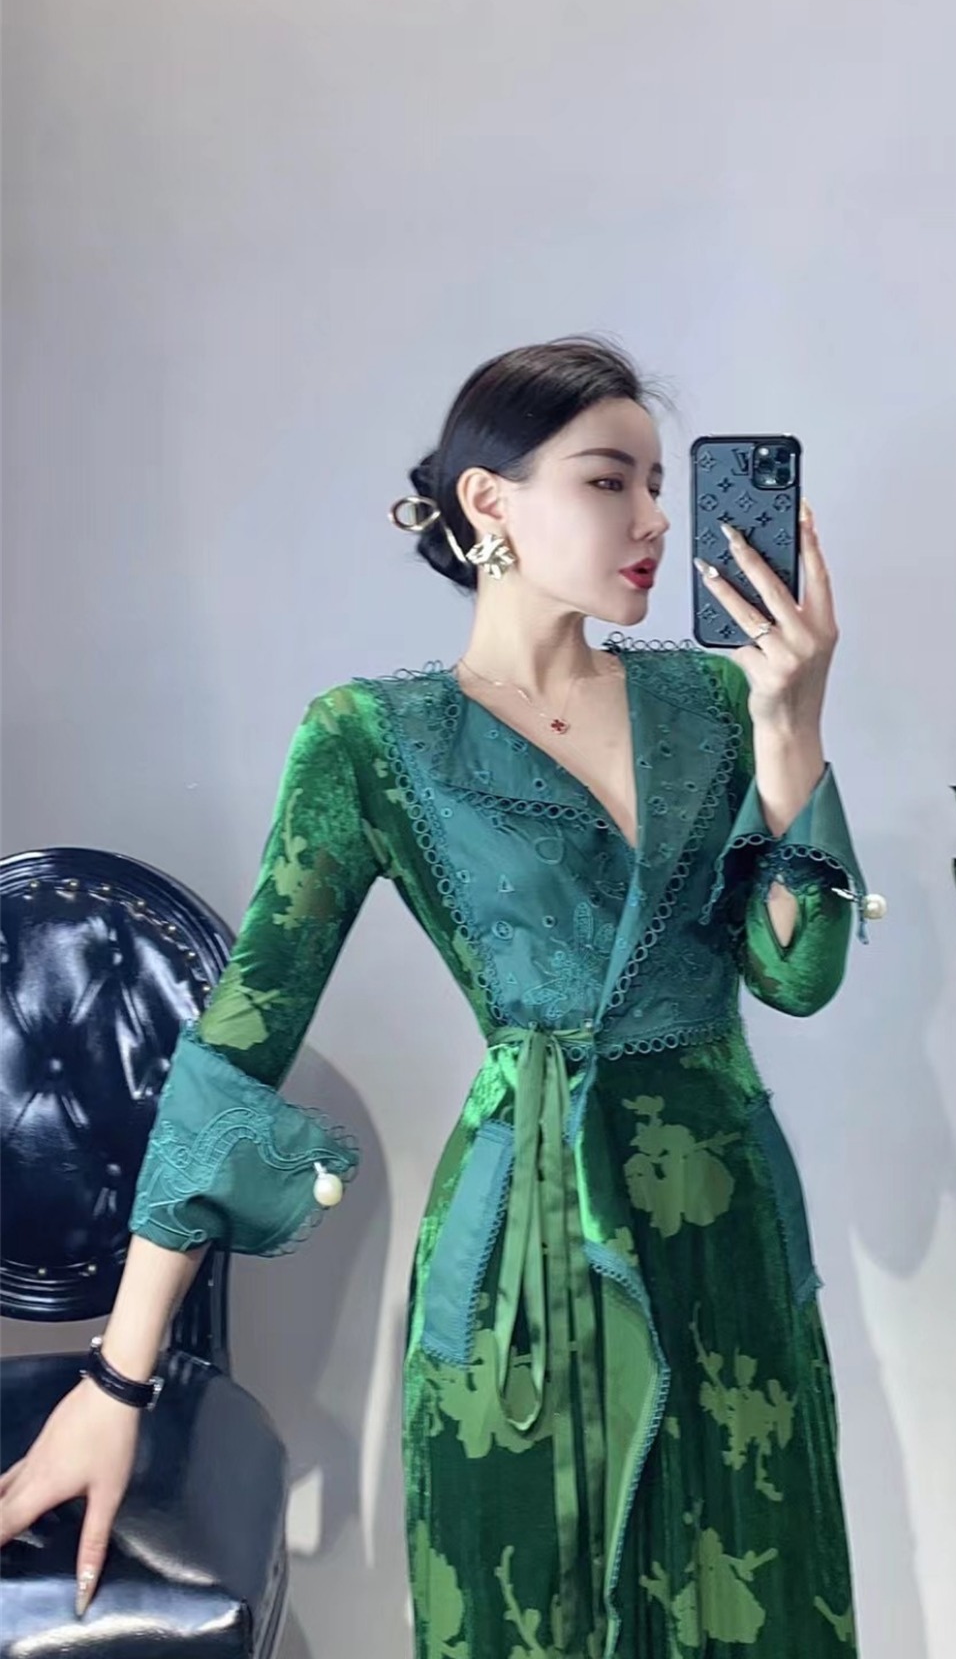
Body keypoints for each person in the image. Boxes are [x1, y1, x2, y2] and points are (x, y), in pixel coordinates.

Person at [0, 336, 883, 1656]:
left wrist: (792, 721)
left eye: (658, 484)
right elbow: (235, 1050)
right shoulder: (374, 740)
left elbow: (799, 972)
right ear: (489, 503)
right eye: (611, 480)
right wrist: (116, 1380)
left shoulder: (713, 699)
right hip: (524, 1249)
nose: (654, 518)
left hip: (724, 1233)